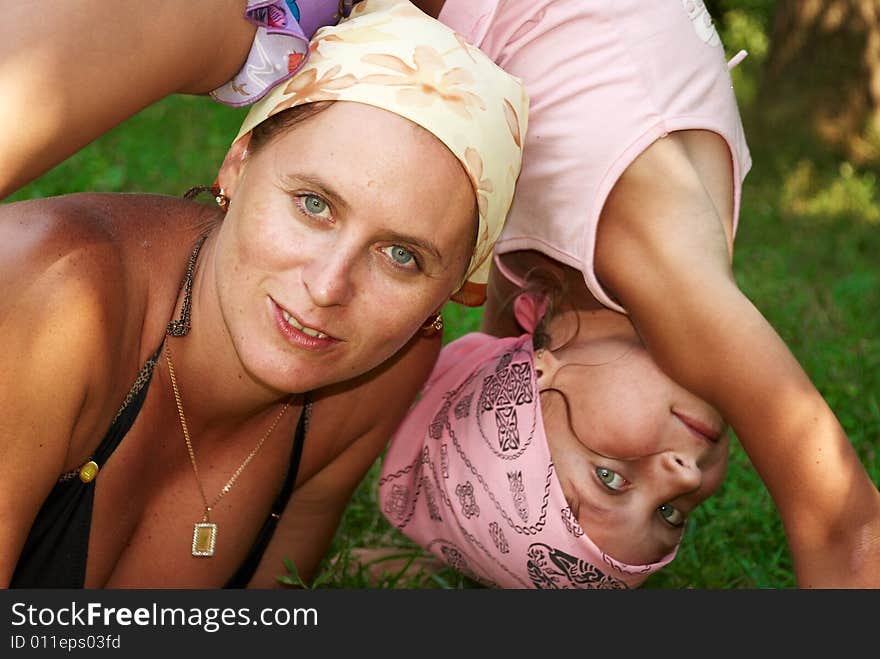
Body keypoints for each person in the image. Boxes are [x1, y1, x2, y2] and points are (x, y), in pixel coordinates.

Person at [4, 1, 878, 587]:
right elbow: (846, 529)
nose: (686, 473)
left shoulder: (543, 282)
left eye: (618, 479)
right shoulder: (666, 276)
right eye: (667, 502)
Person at [0, 0, 529, 588]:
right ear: (236, 162)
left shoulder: (379, 377)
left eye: (401, 256)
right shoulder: (54, 301)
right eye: (314, 205)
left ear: (451, 293)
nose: (329, 287)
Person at [378, 283, 729, 588]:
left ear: (535, 373)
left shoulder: (625, 240)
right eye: (669, 513)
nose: (687, 477)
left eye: (609, 478)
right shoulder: (537, 263)